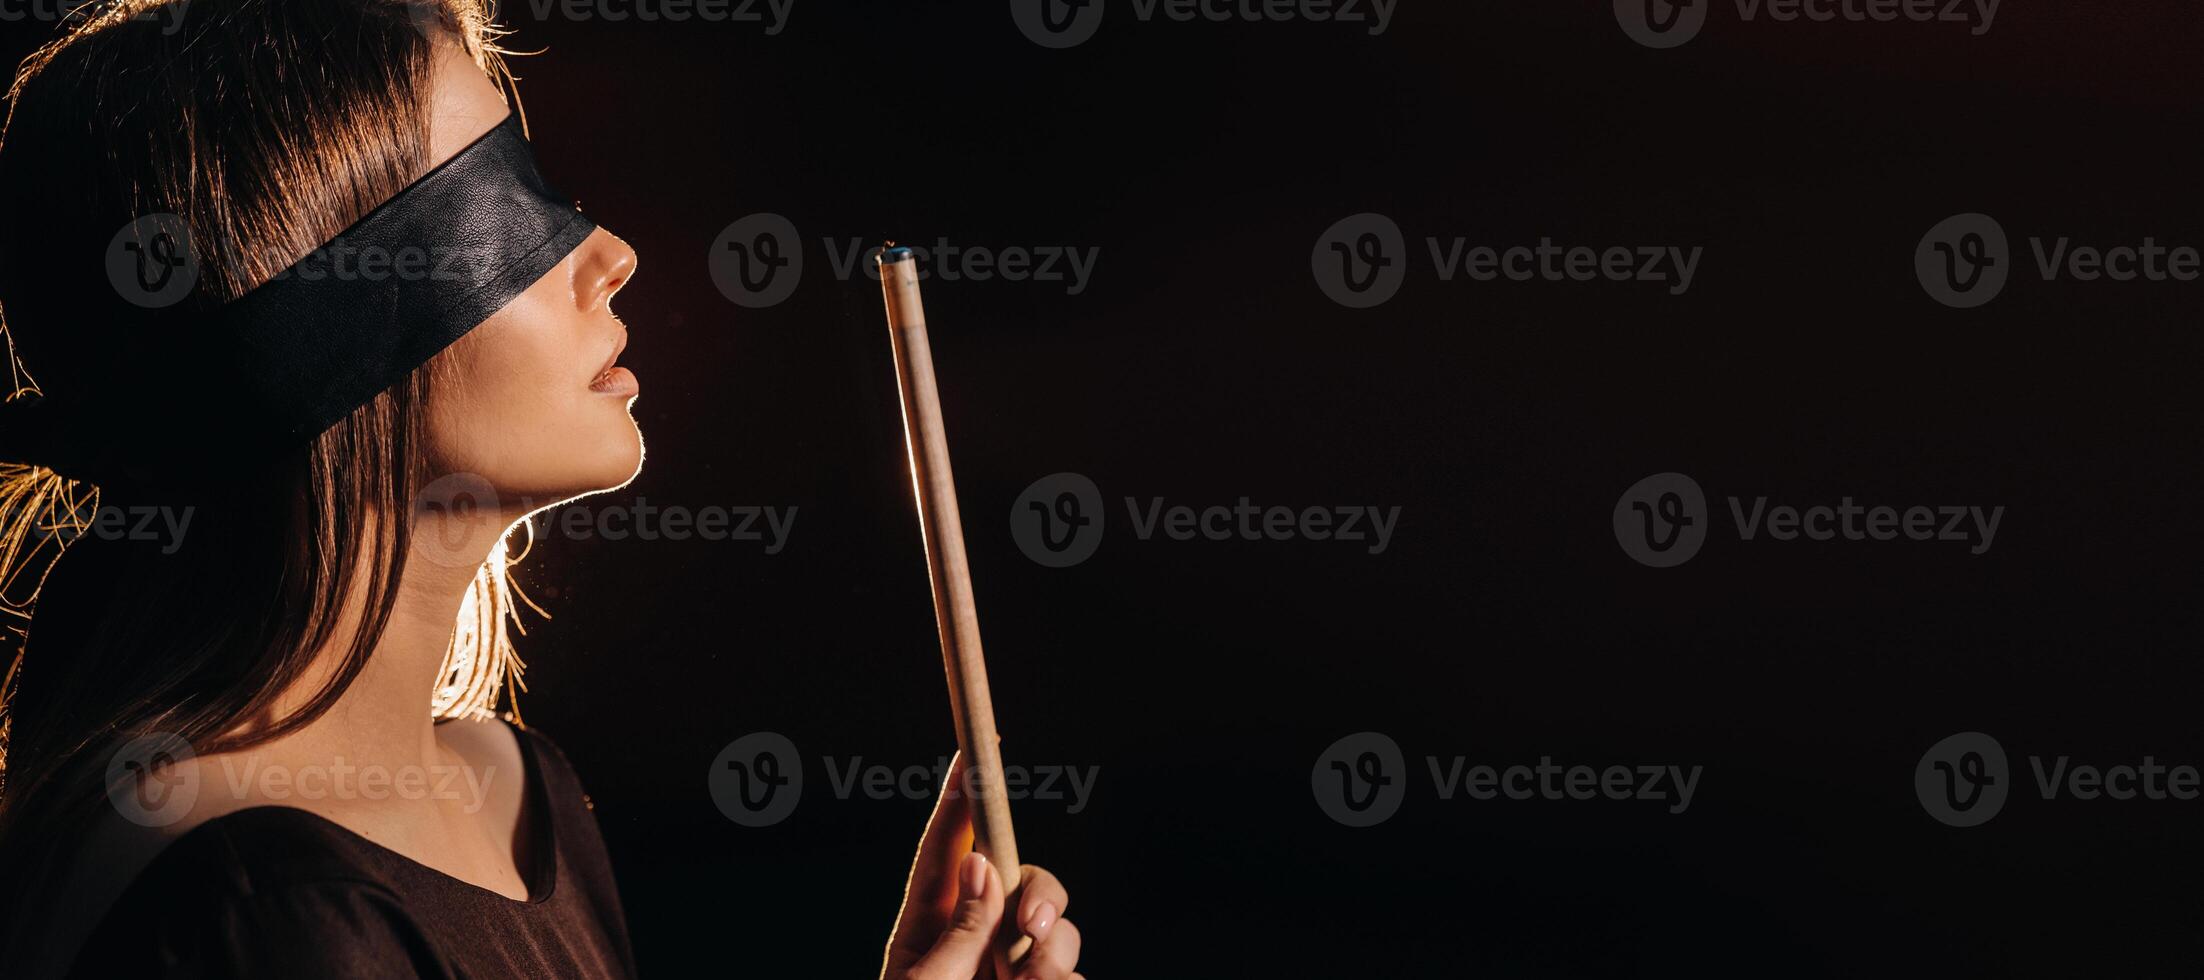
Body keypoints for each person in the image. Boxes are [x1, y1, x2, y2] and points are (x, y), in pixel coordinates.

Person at [0, 2, 1083, 977]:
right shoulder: (265, 910)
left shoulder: (521, 793)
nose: (607, 254)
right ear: (309, 339)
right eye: (502, 218)